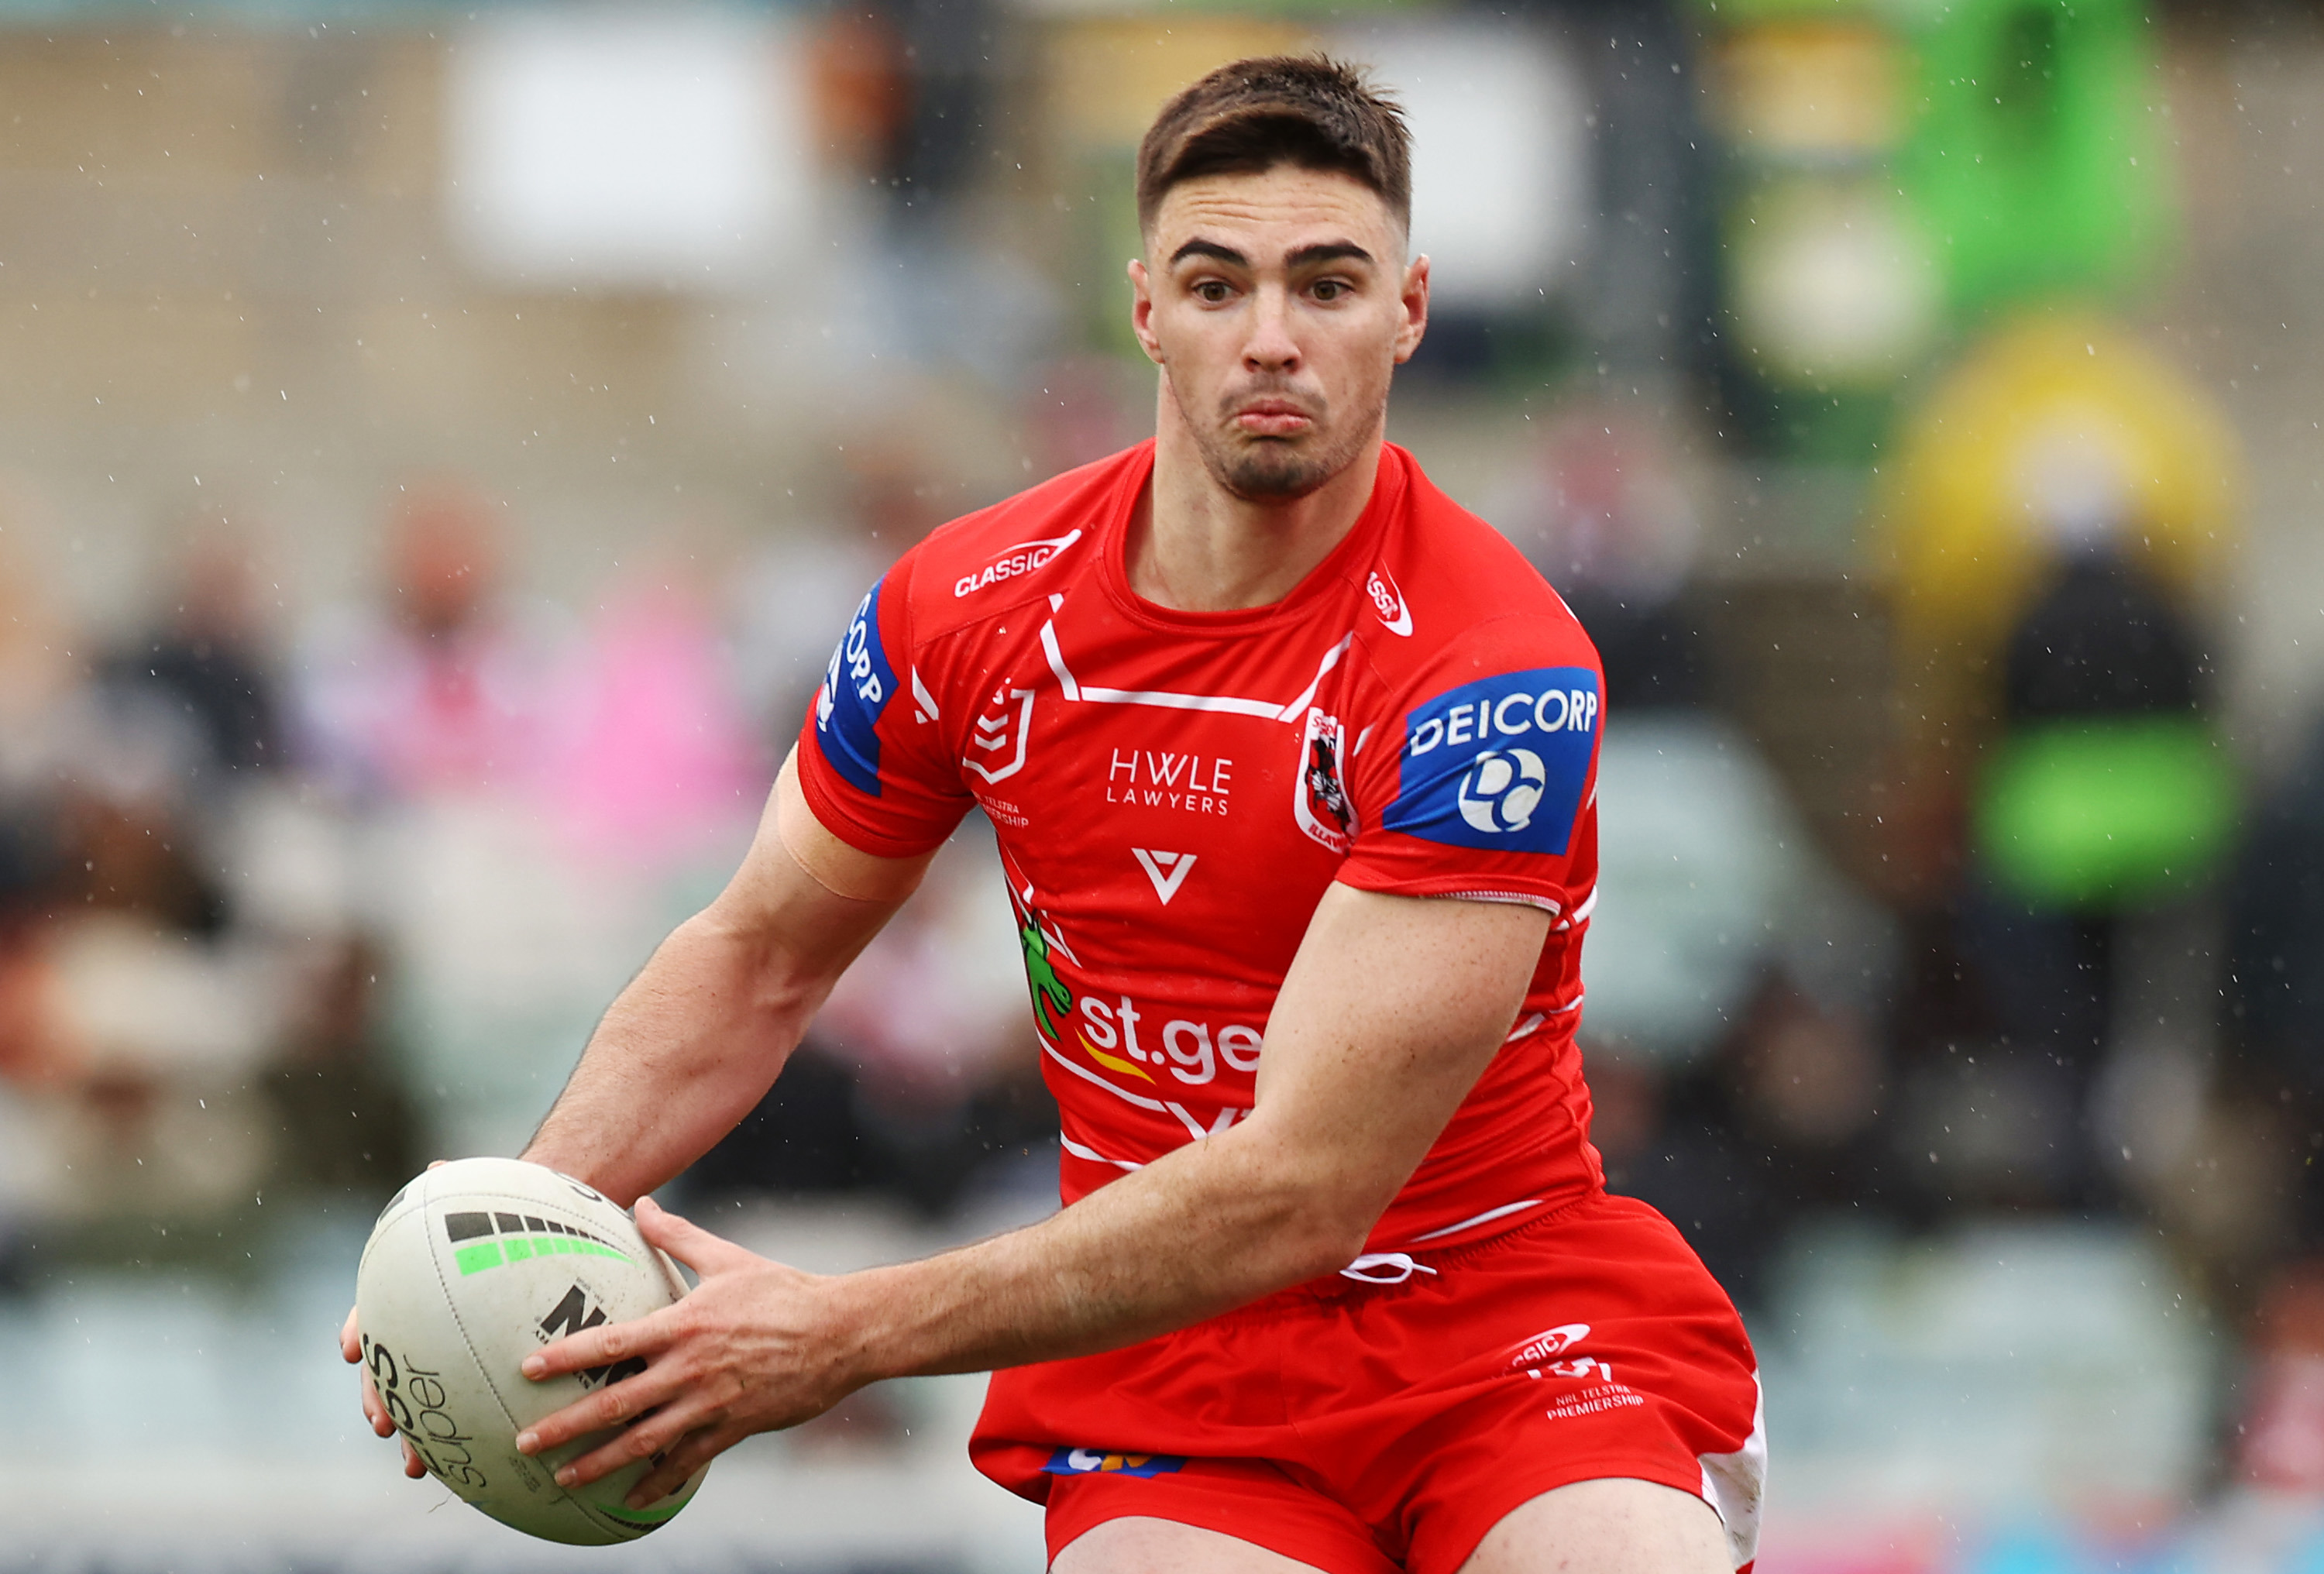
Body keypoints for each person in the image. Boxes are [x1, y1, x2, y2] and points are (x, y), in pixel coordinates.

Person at [343, 57, 1762, 1574]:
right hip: (1179, 1360)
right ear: (1147, 306)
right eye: (1219, 286)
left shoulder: (1494, 671)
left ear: (1408, 309)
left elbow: (1304, 1190)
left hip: (1506, 1323)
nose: (1271, 339)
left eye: (1328, 284)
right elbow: (759, 956)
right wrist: (507, 1243)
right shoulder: (962, 609)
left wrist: (843, 1329)